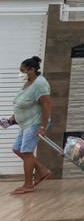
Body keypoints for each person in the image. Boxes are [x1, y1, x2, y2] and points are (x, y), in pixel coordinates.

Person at [7, 56, 52, 194]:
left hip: (35, 124)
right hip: (26, 123)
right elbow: (23, 103)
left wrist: (43, 126)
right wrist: (12, 119)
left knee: (27, 152)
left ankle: (28, 185)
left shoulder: (40, 84)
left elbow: (46, 105)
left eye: (22, 70)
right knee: (17, 149)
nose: (20, 73)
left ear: (32, 69)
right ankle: (42, 170)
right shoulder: (28, 82)